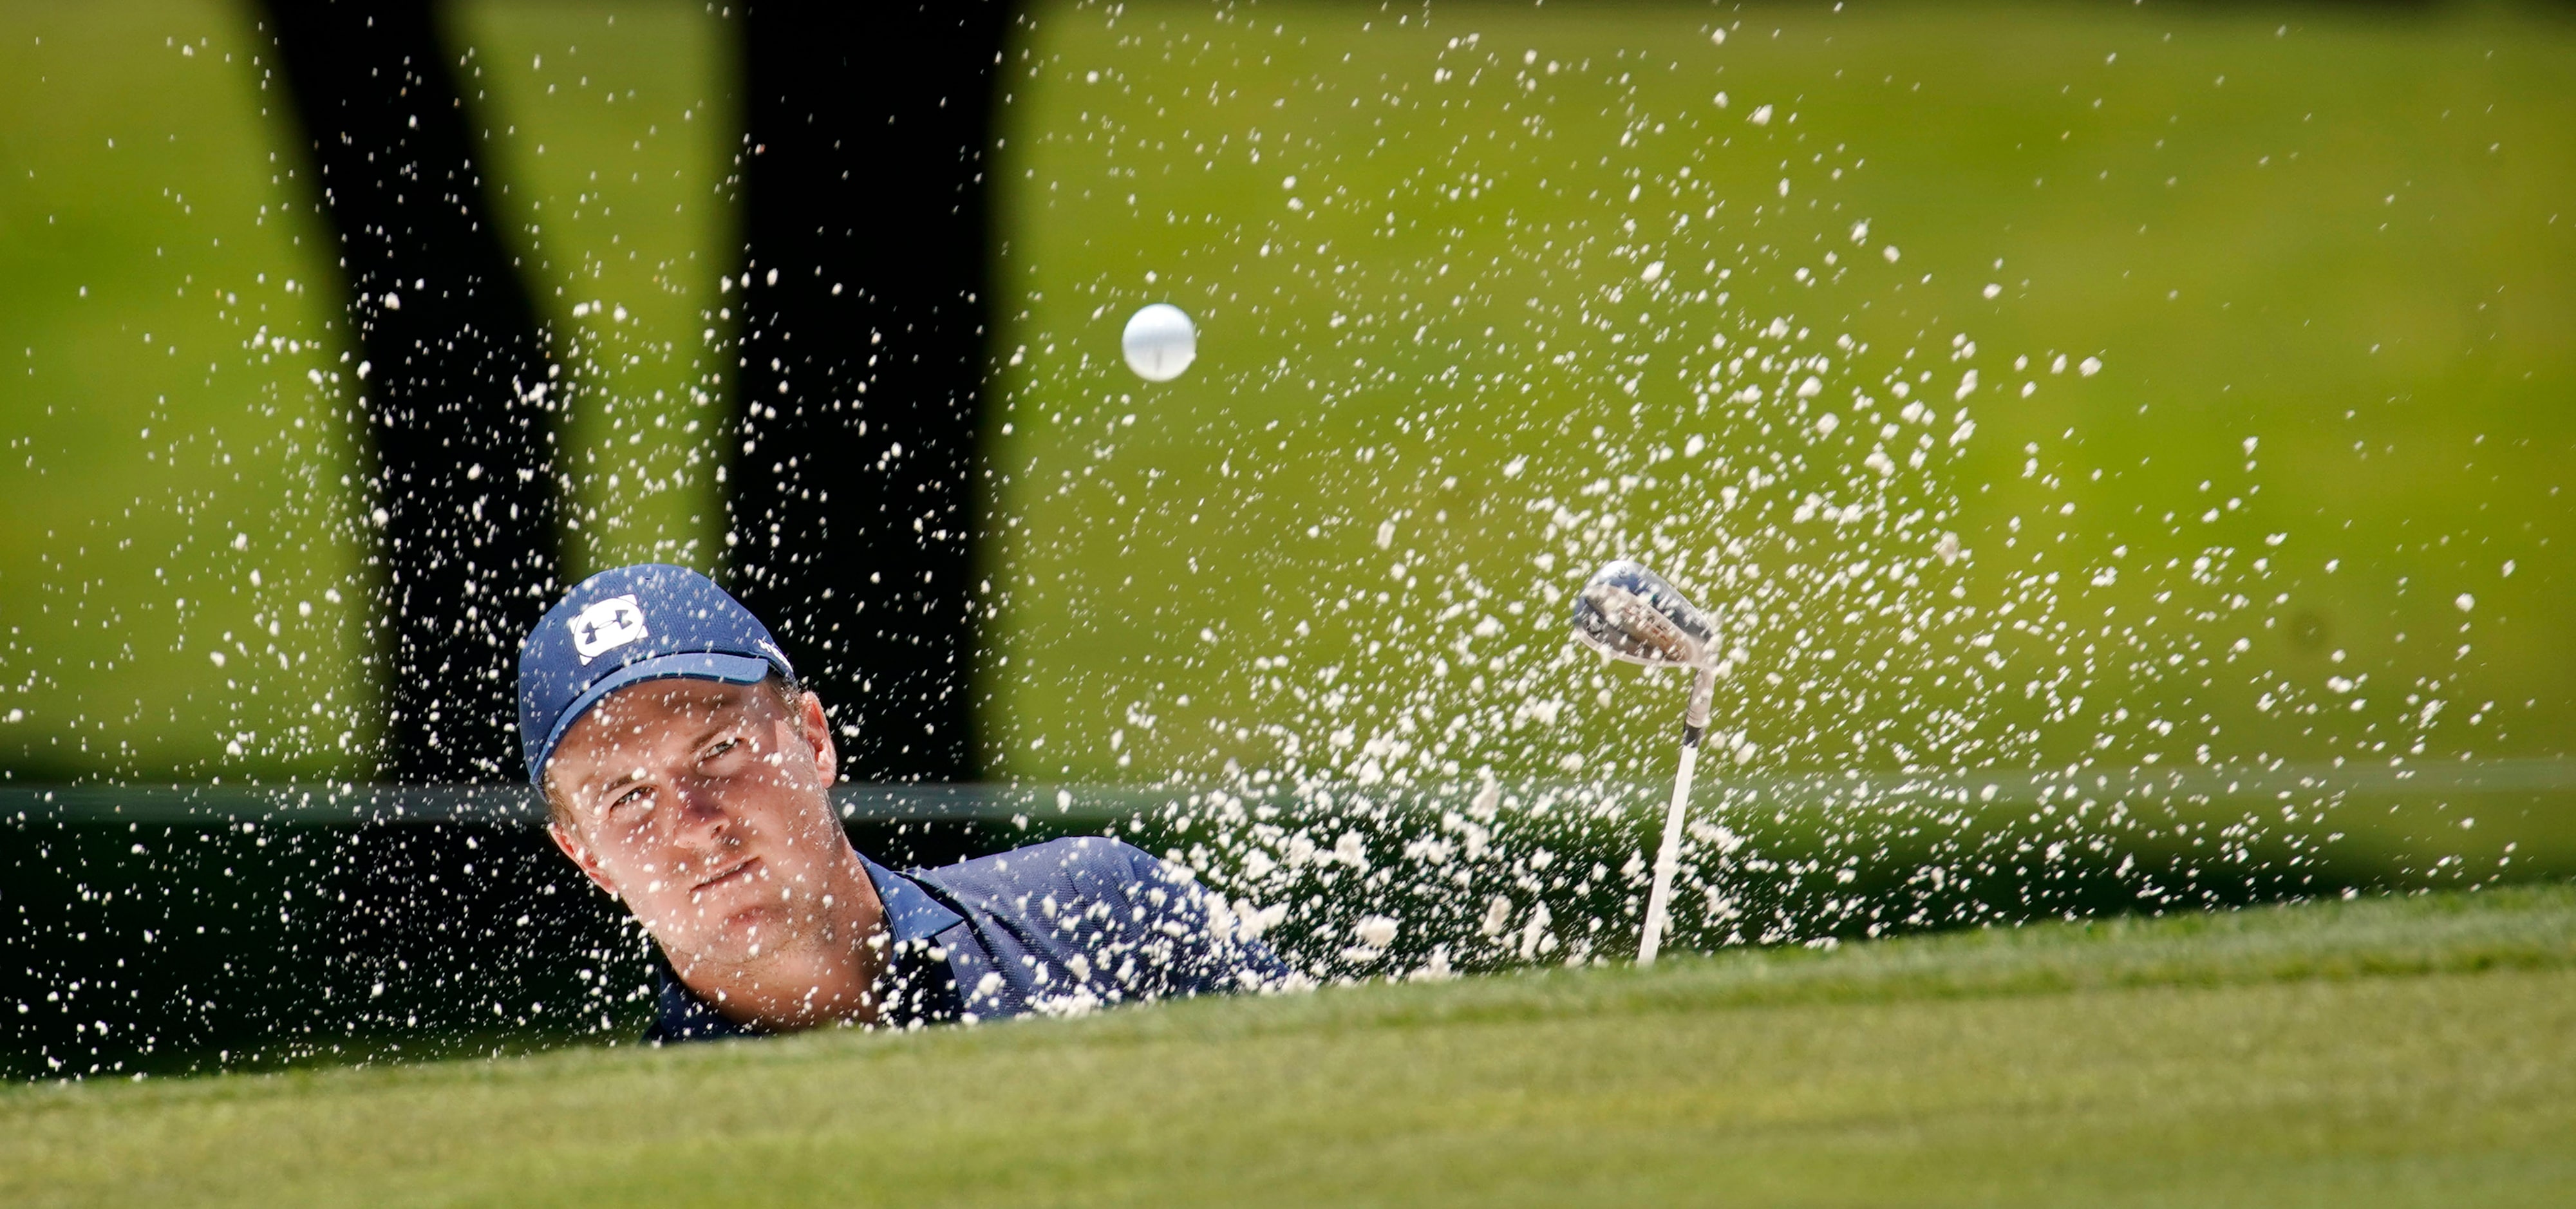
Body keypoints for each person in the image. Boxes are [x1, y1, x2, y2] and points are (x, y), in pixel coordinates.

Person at [516, 563, 1291, 1042]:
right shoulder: (648, 1147)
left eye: (719, 752)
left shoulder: (1096, 910)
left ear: (813, 739)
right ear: (585, 855)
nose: (695, 823)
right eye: (629, 799)